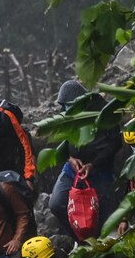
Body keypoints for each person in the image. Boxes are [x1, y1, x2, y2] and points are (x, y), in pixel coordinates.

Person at [48, 80, 121, 241]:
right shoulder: (66, 115)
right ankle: (79, 239)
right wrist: (69, 158)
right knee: (56, 203)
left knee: (105, 214)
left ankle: (100, 246)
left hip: (99, 170)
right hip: (73, 169)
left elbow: (115, 144)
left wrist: (93, 164)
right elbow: (60, 142)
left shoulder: (104, 113)